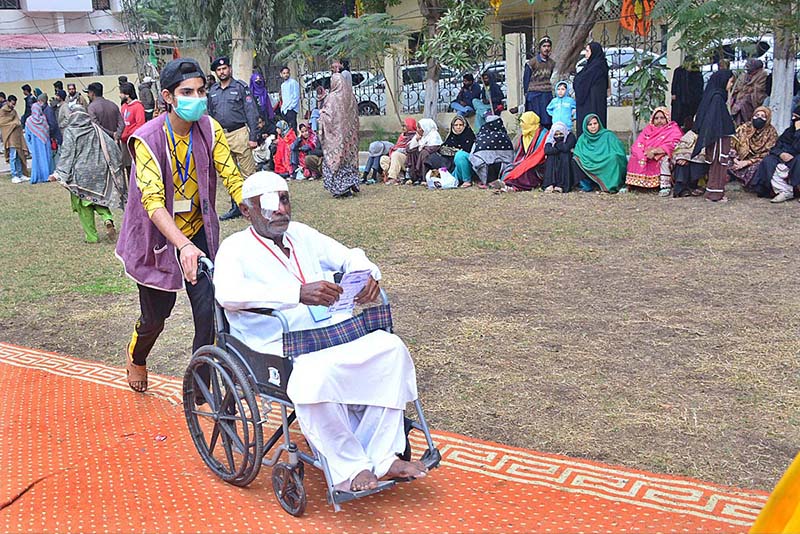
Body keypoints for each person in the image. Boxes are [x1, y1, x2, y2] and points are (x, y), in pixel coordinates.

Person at [213, 171, 428, 493]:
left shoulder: (302, 234)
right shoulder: (235, 248)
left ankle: (383, 457)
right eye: (269, 204)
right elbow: (227, 293)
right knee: (314, 375)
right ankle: (350, 467)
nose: (280, 210)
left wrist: (368, 274)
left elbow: (350, 255)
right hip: (275, 342)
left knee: (390, 350)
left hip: (328, 331)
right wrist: (295, 293)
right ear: (246, 210)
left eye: (284, 200)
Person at [115, 58, 244, 393]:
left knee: (209, 309)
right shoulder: (146, 140)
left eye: (201, 91)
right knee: (156, 317)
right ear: (168, 97)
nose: (197, 98)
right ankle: (137, 357)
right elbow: (153, 202)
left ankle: (199, 383)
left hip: (197, 230)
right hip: (158, 237)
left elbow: (231, 176)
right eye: (187, 92)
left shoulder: (209, 128)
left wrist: (259, 211)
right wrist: (182, 245)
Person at [48, 103, 124, 243]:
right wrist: (117, 163)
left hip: (81, 174)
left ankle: (92, 237)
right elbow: (111, 146)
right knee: (99, 199)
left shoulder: (71, 131)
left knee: (84, 205)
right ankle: (107, 218)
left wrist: (59, 173)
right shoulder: (95, 129)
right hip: (100, 171)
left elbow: (67, 154)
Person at [208, 56, 261, 221]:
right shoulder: (213, 91)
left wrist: (253, 137)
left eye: (224, 69)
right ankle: (236, 207)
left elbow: (251, 112)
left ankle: (255, 207)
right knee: (229, 173)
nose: (222, 72)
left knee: (248, 173)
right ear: (216, 72)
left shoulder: (240, 88)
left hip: (239, 133)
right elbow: (209, 115)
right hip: (221, 136)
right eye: (218, 70)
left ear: (229, 69)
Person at [692, 69, 736, 202]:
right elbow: (716, 120)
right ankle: (715, 194)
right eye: (730, 82)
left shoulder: (714, 95)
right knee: (719, 163)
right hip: (719, 137)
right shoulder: (717, 98)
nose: (730, 85)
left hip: (716, 137)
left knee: (717, 164)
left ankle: (713, 191)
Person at [623, 107, 683, 196]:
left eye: (662, 118)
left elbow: (673, 144)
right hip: (646, 154)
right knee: (633, 157)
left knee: (664, 160)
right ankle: (630, 185)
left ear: (667, 118)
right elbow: (638, 143)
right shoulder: (648, 129)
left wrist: (655, 152)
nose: (659, 121)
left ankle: (665, 186)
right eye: (656, 118)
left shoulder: (673, 129)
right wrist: (642, 155)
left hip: (662, 154)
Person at [319, 73, 360, 198]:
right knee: (348, 160)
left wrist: (321, 114)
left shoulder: (332, 97)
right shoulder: (351, 97)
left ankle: (341, 189)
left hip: (336, 138)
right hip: (350, 138)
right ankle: (350, 185)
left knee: (336, 161)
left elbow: (328, 117)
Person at [751, 105, 800, 203]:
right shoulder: (789, 131)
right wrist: (781, 153)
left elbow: (797, 147)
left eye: (797, 117)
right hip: (784, 157)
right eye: (793, 116)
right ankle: (785, 191)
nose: (793, 119)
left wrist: (798, 132)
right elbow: (776, 146)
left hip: (796, 158)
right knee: (768, 160)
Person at [572, 114, 626, 193]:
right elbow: (577, 152)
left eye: (595, 123)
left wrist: (609, 155)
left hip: (605, 160)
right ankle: (586, 185)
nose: (593, 126)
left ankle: (611, 185)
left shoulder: (608, 135)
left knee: (614, 158)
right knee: (576, 159)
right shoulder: (583, 138)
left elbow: (619, 151)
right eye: (590, 124)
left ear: (599, 124)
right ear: (585, 126)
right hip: (589, 162)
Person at [728, 106, 778, 188]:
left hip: (754, 161)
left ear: (768, 119)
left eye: (763, 116)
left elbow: (768, 152)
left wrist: (747, 162)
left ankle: (744, 181)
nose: (758, 118)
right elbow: (732, 142)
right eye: (757, 115)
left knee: (760, 166)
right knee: (724, 159)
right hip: (738, 159)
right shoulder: (745, 128)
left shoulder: (771, 133)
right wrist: (735, 159)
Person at [497, 111, 549, 191]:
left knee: (525, 172)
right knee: (510, 169)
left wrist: (526, 164)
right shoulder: (524, 135)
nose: (521, 124)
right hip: (526, 161)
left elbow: (540, 155)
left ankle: (512, 186)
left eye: (523, 122)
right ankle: (507, 183)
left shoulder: (543, 135)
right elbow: (520, 154)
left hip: (538, 165)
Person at [468, 115, 515, 188]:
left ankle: (486, 182)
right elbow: (511, 158)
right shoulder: (505, 137)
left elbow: (474, 158)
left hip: (485, 172)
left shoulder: (481, 137)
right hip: (504, 171)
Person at [573, 42, 609, 137]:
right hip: (587, 103)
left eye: (588, 51)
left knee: (594, 124)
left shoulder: (598, 67)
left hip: (593, 104)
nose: (586, 54)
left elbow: (581, 81)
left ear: (594, 52)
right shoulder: (590, 66)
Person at [430, 115, 476, 187]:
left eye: (461, 125)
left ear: (465, 125)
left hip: (468, 167)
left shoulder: (470, 137)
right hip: (452, 167)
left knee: (460, 155)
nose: (458, 127)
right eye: (456, 125)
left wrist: (456, 152)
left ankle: (467, 180)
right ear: (452, 126)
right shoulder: (451, 137)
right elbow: (442, 149)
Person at [522, 36, 555, 128]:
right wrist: (527, 95)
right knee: (535, 122)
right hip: (534, 96)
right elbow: (526, 80)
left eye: (548, 46)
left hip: (547, 95)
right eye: (544, 46)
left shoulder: (552, 63)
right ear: (540, 48)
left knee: (547, 121)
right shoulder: (531, 63)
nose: (546, 48)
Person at [670, 122, 709, 197]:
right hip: (688, 158)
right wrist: (681, 157)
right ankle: (682, 190)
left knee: (697, 163)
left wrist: (688, 158)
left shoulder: (709, 134)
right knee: (681, 163)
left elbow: (706, 151)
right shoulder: (690, 134)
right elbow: (680, 147)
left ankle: (697, 186)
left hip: (701, 160)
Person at [405, 118, 443, 185]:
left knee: (424, 153)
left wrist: (422, 148)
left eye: (420, 128)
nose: (418, 130)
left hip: (433, 158)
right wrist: (416, 140)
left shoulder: (434, 135)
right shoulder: (420, 135)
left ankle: (424, 178)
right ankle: (413, 178)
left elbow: (434, 147)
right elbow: (408, 149)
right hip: (422, 154)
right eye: (418, 127)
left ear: (426, 127)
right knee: (412, 152)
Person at [730, 59, 768, 126]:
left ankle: (746, 121)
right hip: (742, 94)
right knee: (736, 101)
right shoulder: (744, 75)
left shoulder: (762, 74)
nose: (748, 71)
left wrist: (748, 88)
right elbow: (739, 85)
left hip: (754, 96)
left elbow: (759, 88)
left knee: (744, 102)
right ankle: (737, 123)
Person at [0, 95, 29, 183]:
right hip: (10, 138)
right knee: (13, 157)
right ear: (8, 102)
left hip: (17, 137)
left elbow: (18, 121)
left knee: (19, 156)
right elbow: (3, 123)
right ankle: (14, 175)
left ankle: (20, 174)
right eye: (12, 104)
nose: (13, 106)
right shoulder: (2, 111)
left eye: (15, 104)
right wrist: (14, 123)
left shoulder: (14, 111)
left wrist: (16, 123)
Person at [380, 118, 417, 185]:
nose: (402, 128)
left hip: (408, 159)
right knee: (384, 159)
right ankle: (397, 176)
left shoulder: (415, 136)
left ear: (410, 126)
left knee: (396, 155)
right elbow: (397, 146)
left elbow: (410, 149)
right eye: (402, 126)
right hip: (397, 157)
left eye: (404, 126)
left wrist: (398, 150)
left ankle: (392, 178)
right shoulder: (402, 136)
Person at [670, 57, 704, 131]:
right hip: (681, 98)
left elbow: (699, 87)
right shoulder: (679, 71)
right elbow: (675, 83)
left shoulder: (696, 73)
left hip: (692, 100)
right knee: (678, 117)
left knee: (689, 118)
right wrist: (673, 93)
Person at [542, 121, 577, 193]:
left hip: (566, 160)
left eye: (561, 134)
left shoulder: (570, 136)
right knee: (551, 156)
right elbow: (547, 150)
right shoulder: (550, 137)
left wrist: (556, 145)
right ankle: (550, 183)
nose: (558, 137)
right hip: (554, 159)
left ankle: (562, 185)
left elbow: (566, 148)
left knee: (564, 155)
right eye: (556, 135)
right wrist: (558, 148)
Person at [24, 101, 54, 184]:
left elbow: (27, 136)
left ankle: (39, 176)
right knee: (46, 159)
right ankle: (47, 176)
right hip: (45, 144)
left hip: (36, 146)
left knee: (37, 160)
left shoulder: (29, 121)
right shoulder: (43, 119)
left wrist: (30, 146)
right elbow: (47, 130)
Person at [278, 66, 301, 132]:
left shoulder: (293, 82)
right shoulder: (283, 85)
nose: (286, 75)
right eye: (284, 73)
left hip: (291, 110)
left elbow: (296, 96)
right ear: (281, 74)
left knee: (292, 129)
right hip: (284, 110)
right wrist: (282, 108)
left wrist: (291, 108)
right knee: (286, 129)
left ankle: (295, 142)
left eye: (287, 73)